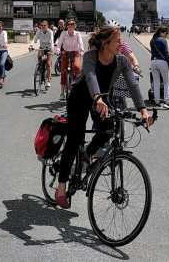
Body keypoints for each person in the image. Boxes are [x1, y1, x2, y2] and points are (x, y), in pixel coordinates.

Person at [54, 26, 154, 208]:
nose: (121, 44)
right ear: (105, 43)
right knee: (75, 138)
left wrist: (143, 110)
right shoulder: (91, 57)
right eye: (117, 41)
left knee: (108, 130)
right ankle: (61, 187)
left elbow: (132, 85)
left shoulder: (122, 61)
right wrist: (98, 97)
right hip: (80, 97)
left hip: (101, 99)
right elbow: (91, 76)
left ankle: (87, 154)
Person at [55, 19, 84, 100]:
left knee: (77, 67)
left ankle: (77, 87)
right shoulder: (64, 33)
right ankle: (62, 92)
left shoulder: (77, 34)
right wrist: (57, 50)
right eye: (69, 25)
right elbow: (59, 43)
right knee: (63, 71)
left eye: (72, 25)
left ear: (74, 26)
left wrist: (82, 50)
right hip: (66, 52)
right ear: (67, 26)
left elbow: (81, 43)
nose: (70, 26)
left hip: (75, 52)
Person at [149, 26, 169, 109]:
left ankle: (157, 101)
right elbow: (166, 53)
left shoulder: (152, 40)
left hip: (153, 61)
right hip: (162, 62)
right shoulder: (163, 40)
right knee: (166, 82)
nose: (166, 35)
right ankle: (167, 102)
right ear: (162, 32)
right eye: (166, 33)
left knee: (156, 82)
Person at [30, 19, 54, 89]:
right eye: (42, 25)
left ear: (47, 26)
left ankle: (48, 80)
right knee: (40, 60)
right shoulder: (39, 31)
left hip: (49, 48)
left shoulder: (50, 32)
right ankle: (40, 71)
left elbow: (52, 41)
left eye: (44, 25)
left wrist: (52, 49)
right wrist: (31, 45)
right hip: (42, 48)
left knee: (49, 64)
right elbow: (34, 40)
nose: (43, 27)